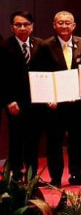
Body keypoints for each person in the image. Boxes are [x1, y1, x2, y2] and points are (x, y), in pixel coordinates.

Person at [28, 11, 81, 187]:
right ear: (54, 25)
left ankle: (76, 175)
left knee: (77, 140)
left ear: (74, 25)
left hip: (78, 103)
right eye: (60, 23)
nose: (64, 26)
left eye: (67, 23)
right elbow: (38, 73)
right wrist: (47, 97)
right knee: (54, 141)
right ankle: (55, 177)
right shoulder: (45, 46)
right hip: (54, 104)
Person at [1, 11, 38, 180]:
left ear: (32, 26)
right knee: (16, 139)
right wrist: (8, 101)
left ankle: (32, 175)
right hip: (14, 103)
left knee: (33, 140)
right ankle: (16, 175)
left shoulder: (40, 44)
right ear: (12, 27)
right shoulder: (3, 47)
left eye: (26, 24)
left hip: (36, 101)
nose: (22, 28)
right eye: (18, 25)